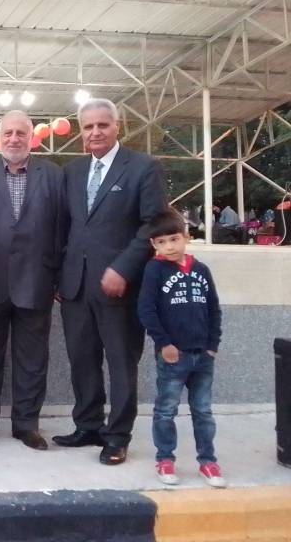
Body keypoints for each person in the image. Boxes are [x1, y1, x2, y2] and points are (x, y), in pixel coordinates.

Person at [54, 98, 167, 465]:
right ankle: (88, 425)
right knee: (82, 360)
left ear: (118, 127)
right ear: (81, 132)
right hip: (75, 285)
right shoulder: (72, 171)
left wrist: (123, 269)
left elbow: (154, 225)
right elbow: (65, 228)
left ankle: (117, 436)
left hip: (121, 286)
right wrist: (60, 276)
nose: (95, 132)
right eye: (88, 127)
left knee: (121, 362)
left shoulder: (143, 167)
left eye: (103, 125)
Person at [0, 111, 64, 451]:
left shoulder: (53, 175)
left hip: (37, 281)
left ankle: (26, 425)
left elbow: (62, 229)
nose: (13, 139)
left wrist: (59, 277)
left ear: (31, 138)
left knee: (32, 360)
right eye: (7, 133)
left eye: (20, 133)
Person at [137, 209, 226, 488]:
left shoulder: (201, 270)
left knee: (203, 411)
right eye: (161, 242)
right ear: (153, 244)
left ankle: (208, 461)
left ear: (186, 237)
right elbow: (146, 310)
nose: (169, 247)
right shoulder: (154, 270)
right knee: (166, 410)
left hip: (203, 356)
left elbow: (213, 309)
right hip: (173, 356)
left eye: (174, 239)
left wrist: (212, 345)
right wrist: (164, 343)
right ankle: (165, 458)